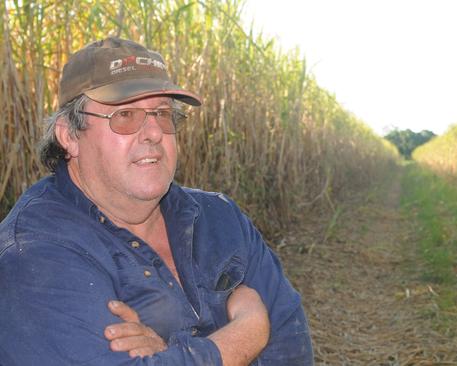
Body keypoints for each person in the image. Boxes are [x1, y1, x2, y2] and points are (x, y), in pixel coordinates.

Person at [0, 37, 313, 365]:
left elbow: (292, 349)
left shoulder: (221, 219)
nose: (153, 132)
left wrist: (167, 352)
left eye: (163, 114)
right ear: (69, 136)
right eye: (125, 115)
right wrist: (249, 329)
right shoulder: (34, 252)